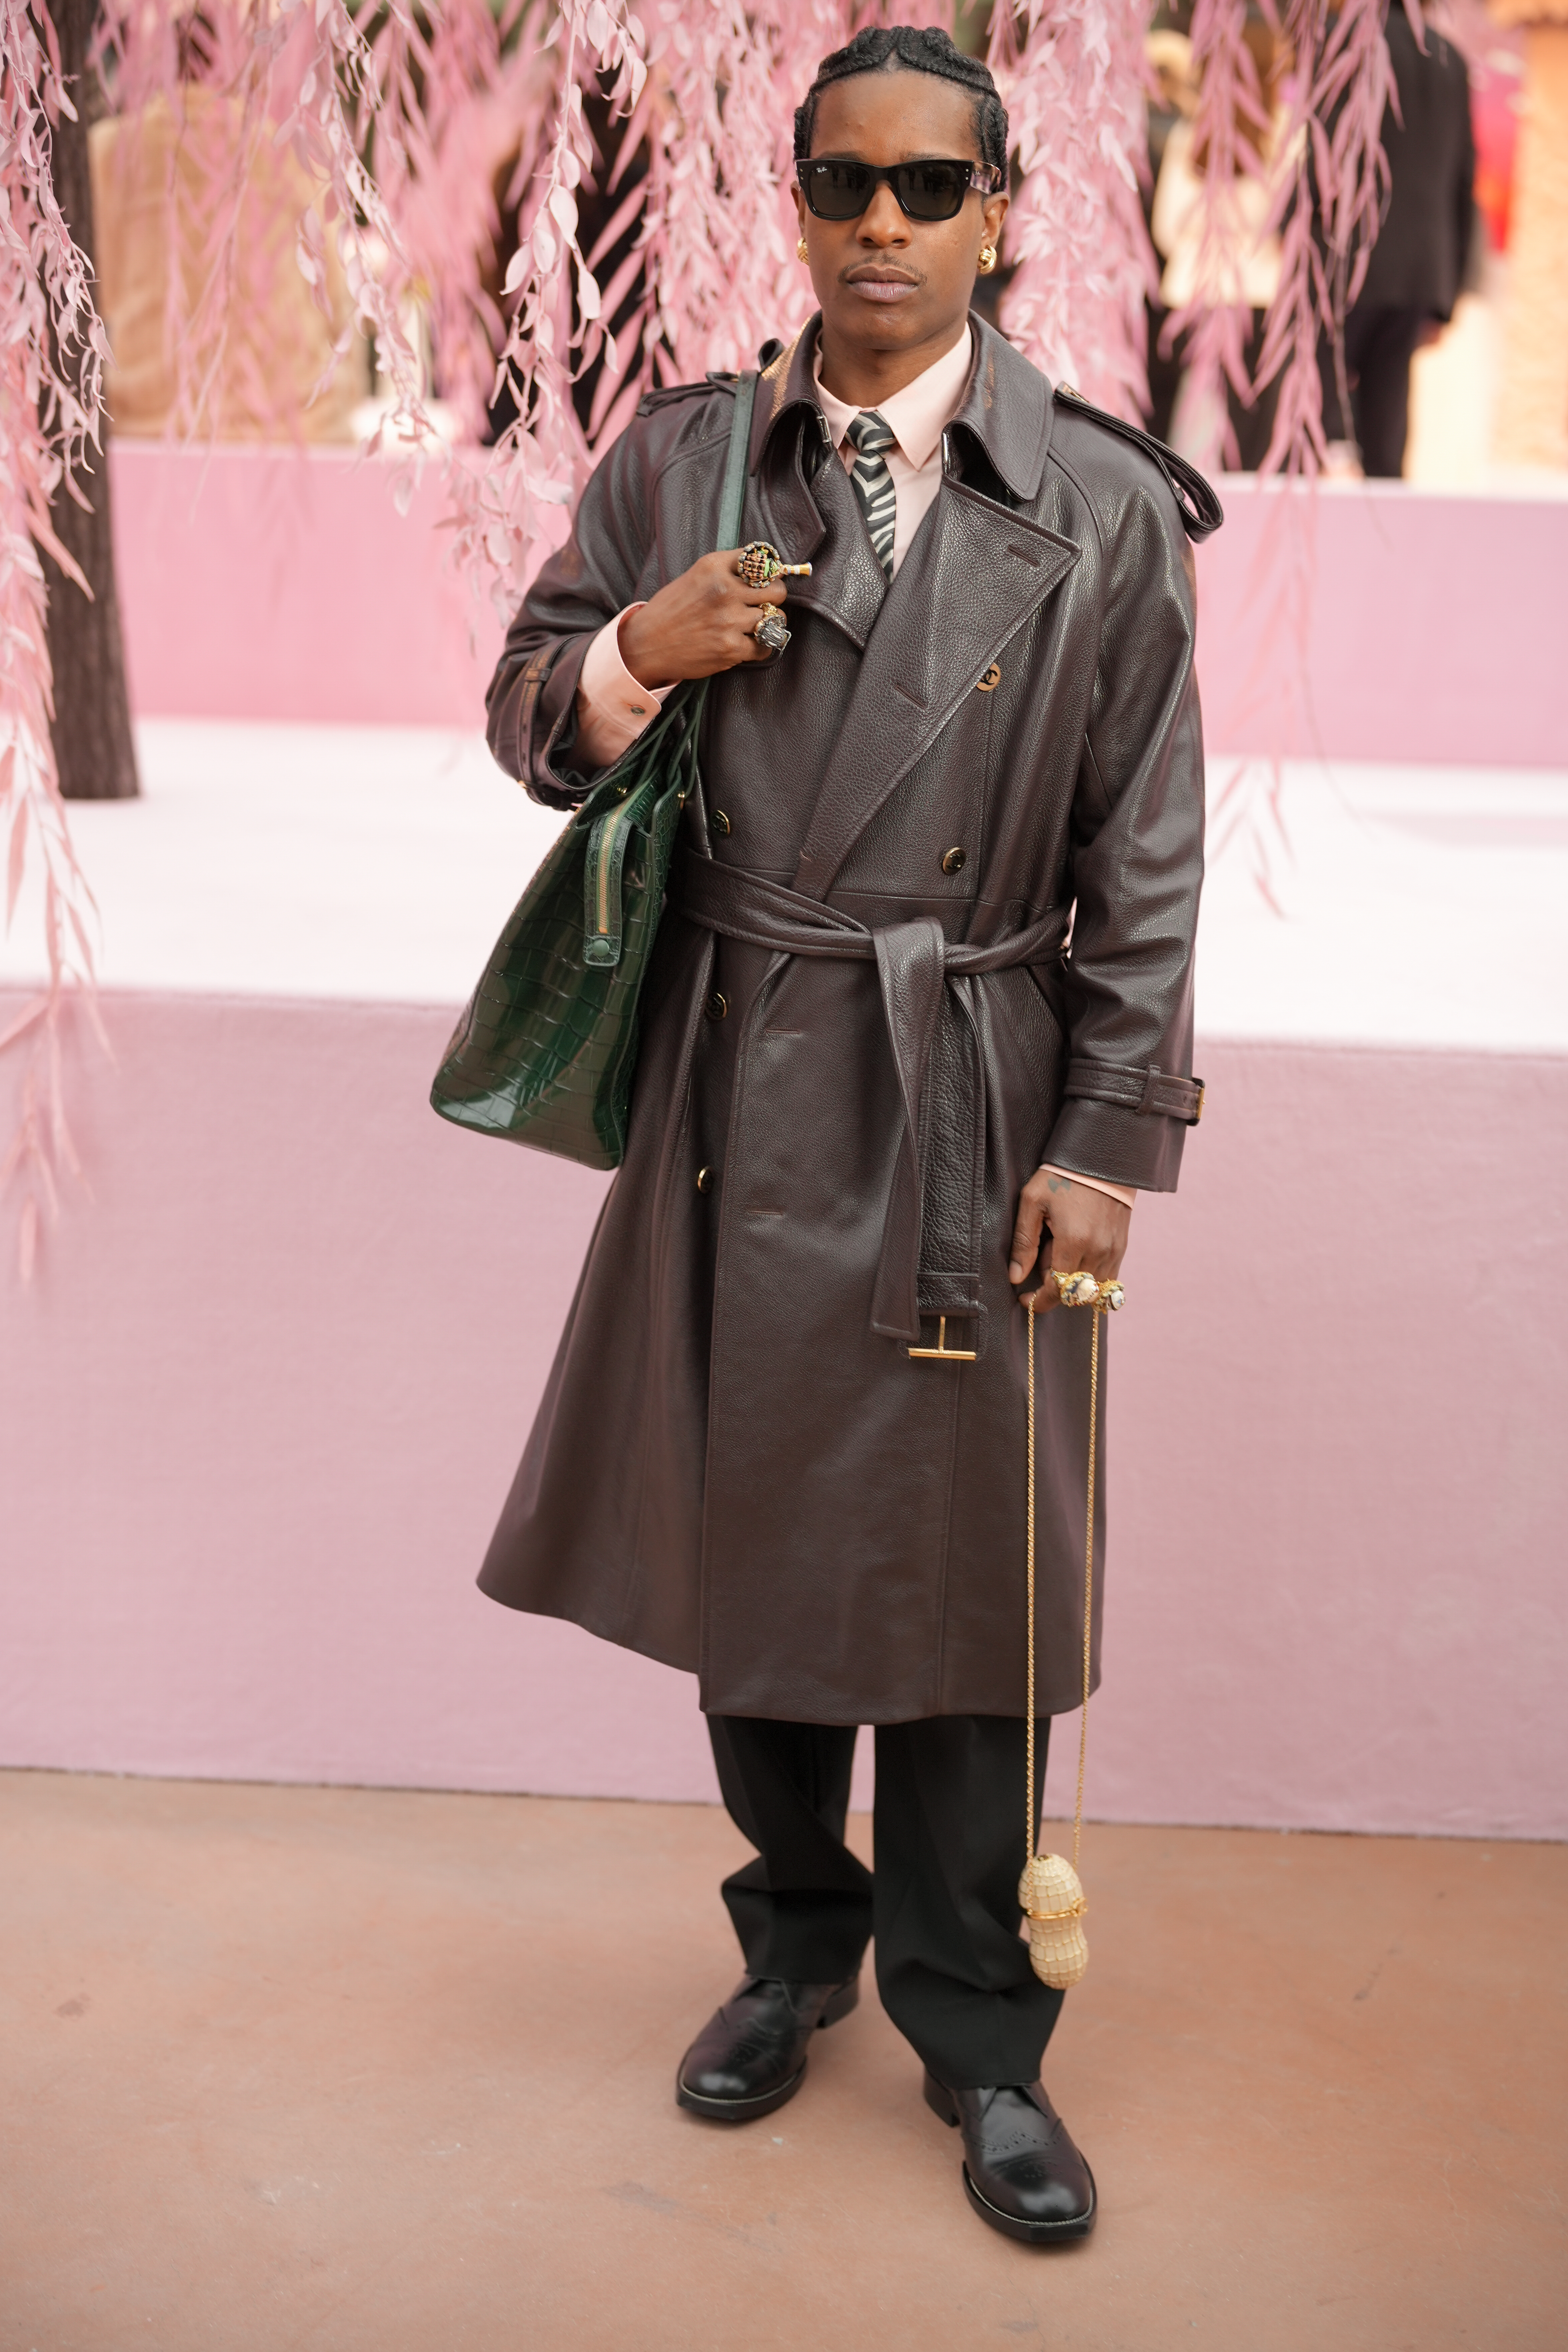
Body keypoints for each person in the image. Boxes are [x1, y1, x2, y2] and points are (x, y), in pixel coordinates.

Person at [480, 24, 1210, 2246]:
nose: (876, 227)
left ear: (1005, 214)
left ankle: (978, 2030)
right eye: (839, 185)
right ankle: (791, 1943)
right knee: (755, 1568)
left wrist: (1107, 1128)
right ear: (794, 204)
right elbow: (528, 711)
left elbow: (1147, 858)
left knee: (968, 1590)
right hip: (738, 1076)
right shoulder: (689, 465)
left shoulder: (1094, 503)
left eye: (925, 188)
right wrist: (632, 652)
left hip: (977, 1089)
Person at [1320, 1, 1476, 477]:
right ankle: (1383, 530)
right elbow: (1465, 177)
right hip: (1422, 265)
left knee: (1324, 408)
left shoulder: (1346, 42)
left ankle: (1322, 535)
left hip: (1348, 254)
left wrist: (1297, 243)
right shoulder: (1450, 57)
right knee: (1388, 409)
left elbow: (1322, 158)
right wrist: (1449, 288)